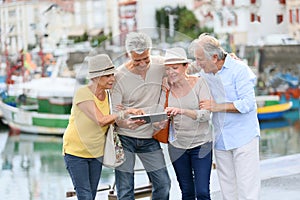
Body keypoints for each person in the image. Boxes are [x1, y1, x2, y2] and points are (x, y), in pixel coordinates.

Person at [190, 33, 261, 200]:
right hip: (221, 139)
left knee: (247, 189)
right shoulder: (205, 72)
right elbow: (186, 71)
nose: (197, 64)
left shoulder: (239, 69)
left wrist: (217, 107)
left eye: (200, 59)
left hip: (244, 137)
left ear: (214, 57)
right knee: (227, 190)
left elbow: (247, 104)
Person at [62, 54, 143, 200]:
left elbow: (114, 119)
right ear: (96, 77)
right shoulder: (83, 93)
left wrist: (133, 120)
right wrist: (125, 113)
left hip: (96, 153)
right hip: (76, 153)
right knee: (85, 196)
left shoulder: (109, 95)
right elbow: (101, 120)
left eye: (112, 75)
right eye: (107, 76)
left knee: (91, 195)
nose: (112, 79)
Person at [111, 32, 171, 200]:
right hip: (125, 138)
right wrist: (124, 123)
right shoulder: (118, 77)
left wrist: (226, 58)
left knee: (163, 184)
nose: (143, 64)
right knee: (125, 189)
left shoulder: (160, 64)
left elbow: (187, 66)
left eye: (146, 58)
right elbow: (115, 113)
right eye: (138, 60)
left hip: (150, 137)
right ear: (129, 55)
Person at [161, 47, 213, 200]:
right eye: (168, 68)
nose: (171, 72)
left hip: (201, 144)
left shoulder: (200, 83)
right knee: (187, 192)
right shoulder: (166, 88)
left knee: (202, 192)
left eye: (175, 67)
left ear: (185, 66)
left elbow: (205, 115)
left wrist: (182, 111)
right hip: (177, 147)